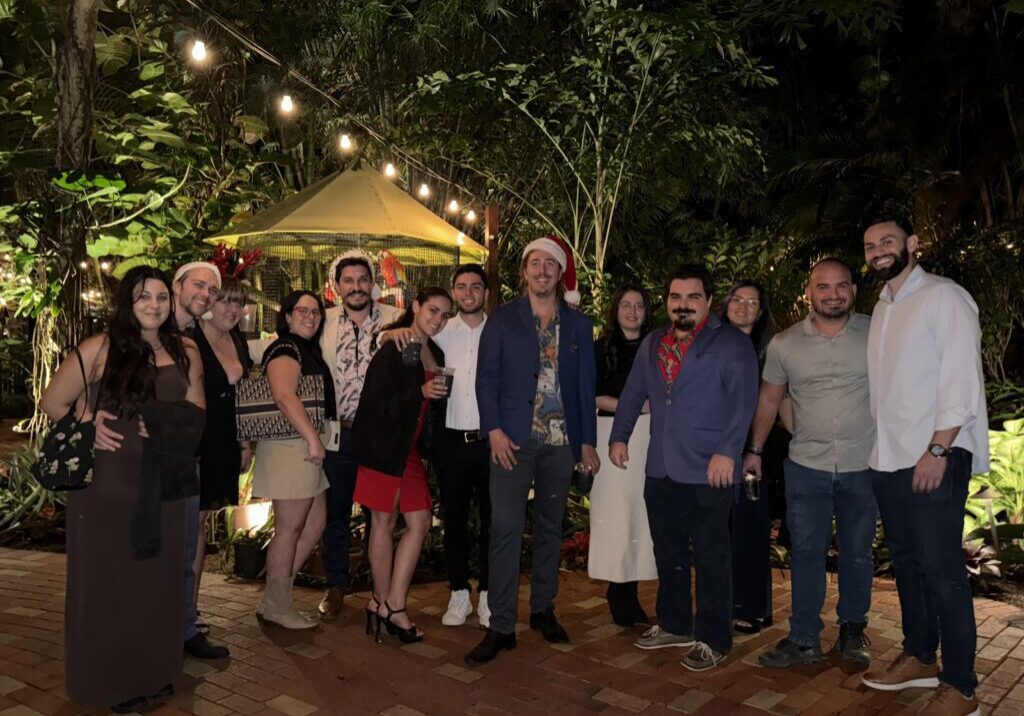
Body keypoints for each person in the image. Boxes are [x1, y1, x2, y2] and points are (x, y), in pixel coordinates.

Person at [41, 266, 205, 712]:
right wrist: (89, 425)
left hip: (164, 483)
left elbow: (197, 414)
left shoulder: (186, 350)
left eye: (161, 297)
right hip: (108, 488)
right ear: (126, 303)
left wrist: (163, 424)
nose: (154, 305)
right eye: (142, 297)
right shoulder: (98, 348)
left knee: (159, 582)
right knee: (111, 584)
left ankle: (153, 672)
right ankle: (112, 684)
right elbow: (52, 402)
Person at [860, 214, 988, 716]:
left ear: (912, 243)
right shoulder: (884, 306)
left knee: (941, 569)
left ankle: (961, 685)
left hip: (934, 454)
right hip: (889, 457)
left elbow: (960, 380)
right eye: (870, 245)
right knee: (910, 565)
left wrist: (937, 450)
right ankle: (919, 655)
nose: (878, 251)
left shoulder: (943, 296)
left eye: (887, 240)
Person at [609, 264, 758, 672]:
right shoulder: (654, 342)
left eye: (693, 297)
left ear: (709, 301)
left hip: (710, 468)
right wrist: (619, 436)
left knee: (711, 557)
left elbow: (744, 401)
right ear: (667, 301)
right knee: (669, 551)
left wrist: (728, 451)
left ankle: (714, 638)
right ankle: (674, 623)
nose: (683, 305)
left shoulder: (729, 343)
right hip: (661, 466)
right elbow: (633, 393)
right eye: (676, 297)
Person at [466, 235, 599, 664]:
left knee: (549, 528)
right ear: (524, 271)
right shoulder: (502, 319)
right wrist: (495, 430)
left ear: (560, 274)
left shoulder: (578, 326)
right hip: (513, 442)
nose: (542, 271)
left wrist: (587, 443)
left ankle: (542, 608)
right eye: (535, 263)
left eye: (550, 265)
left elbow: (584, 388)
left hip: (561, 444)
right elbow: (485, 380)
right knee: (504, 530)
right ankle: (501, 625)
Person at [739, 260, 875, 669]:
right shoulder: (785, 343)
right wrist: (755, 451)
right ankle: (803, 638)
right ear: (809, 292)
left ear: (853, 289)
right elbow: (768, 399)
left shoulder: (878, 332)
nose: (832, 294)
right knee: (806, 553)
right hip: (807, 466)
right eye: (823, 287)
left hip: (864, 464)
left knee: (857, 554)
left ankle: (852, 629)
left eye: (840, 286)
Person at [383, 265, 493, 628]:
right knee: (455, 521)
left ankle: (490, 594)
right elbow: (410, 340)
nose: (468, 293)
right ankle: (459, 592)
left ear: (485, 293)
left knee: (493, 522)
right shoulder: (443, 330)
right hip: (450, 442)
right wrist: (392, 335)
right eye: (461, 286)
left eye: (475, 286)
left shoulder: (500, 331)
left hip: (491, 441)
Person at [352, 287, 453, 643]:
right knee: (383, 520)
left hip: (407, 449)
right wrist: (421, 394)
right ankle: (385, 604)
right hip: (382, 446)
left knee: (420, 519)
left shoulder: (433, 350)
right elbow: (377, 403)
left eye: (444, 314)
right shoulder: (396, 345)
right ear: (415, 308)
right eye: (432, 310)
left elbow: (427, 407)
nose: (437, 319)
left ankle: (392, 601)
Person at [318, 251, 402, 619]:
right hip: (338, 435)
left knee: (379, 516)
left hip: (380, 437)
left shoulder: (396, 318)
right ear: (337, 287)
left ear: (373, 284)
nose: (355, 287)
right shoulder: (322, 322)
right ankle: (336, 584)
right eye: (348, 281)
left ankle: (377, 585)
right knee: (334, 512)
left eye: (362, 280)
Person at [253, 290, 335, 629]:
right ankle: (277, 605)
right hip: (293, 446)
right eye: (302, 310)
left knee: (314, 523)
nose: (311, 316)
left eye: (316, 311)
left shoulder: (305, 349)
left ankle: (275, 594)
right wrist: (313, 439)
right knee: (289, 529)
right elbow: (284, 395)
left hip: (304, 445)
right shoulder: (285, 348)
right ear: (287, 316)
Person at [588, 283, 657, 627]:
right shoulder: (600, 348)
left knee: (642, 516)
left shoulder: (660, 346)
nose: (632, 312)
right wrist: (634, 409)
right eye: (625, 305)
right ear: (615, 310)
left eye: (639, 306)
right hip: (612, 434)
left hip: (652, 438)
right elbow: (591, 395)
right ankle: (619, 590)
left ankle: (632, 588)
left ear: (647, 311)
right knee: (617, 517)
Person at [172, 261, 231, 660]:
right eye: (199, 285)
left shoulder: (194, 335)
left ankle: (185, 625)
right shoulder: (150, 332)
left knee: (191, 539)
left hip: (190, 453)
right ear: (177, 285)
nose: (206, 294)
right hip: (154, 458)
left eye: (212, 289)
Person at [192, 276, 253, 628]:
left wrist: (243, 443)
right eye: (224, 301)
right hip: (195, 441)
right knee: (191, 524)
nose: (232, 309)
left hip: (224, 442)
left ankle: (190, 606)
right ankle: (182, 608)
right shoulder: (190, 340)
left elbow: (242, 398)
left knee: (200, 524)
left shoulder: (237, 340)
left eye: (238, 302)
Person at [719, 280, 778, 636]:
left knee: (751, 530)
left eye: (752, 302)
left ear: (761, 310)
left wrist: (753, 448)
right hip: (717, 448)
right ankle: (724, 601)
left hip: (756, 449)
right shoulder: (710, 345)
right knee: (720, 532)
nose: (743, 307)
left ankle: (753, 608)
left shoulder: (771, 349)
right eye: (737, 300)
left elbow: (774, 401)